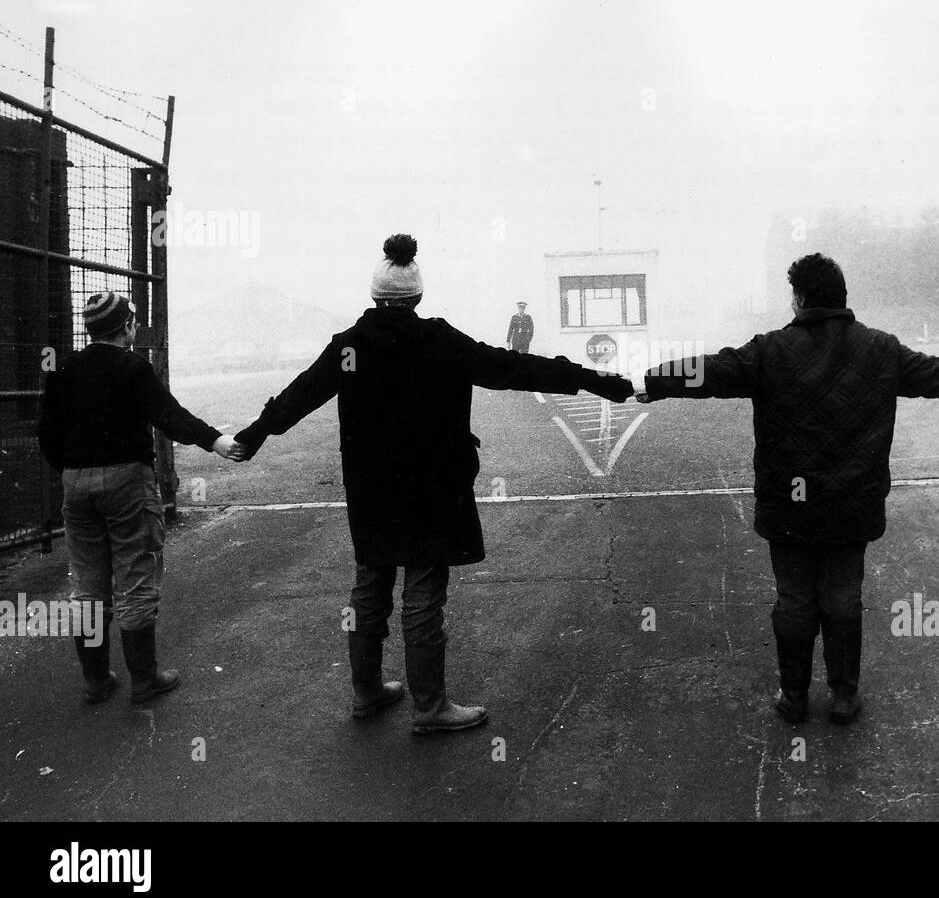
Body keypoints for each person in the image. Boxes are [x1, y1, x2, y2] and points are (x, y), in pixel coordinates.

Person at [232, 235, 632, 734]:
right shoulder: (441, 342)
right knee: (422, 593)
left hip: (372, 487)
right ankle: (430, 706)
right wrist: (595, 380)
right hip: (433, 486)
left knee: (370, 587)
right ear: (417, 296)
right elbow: (515, 368)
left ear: (375, 296)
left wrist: (251, 437)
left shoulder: (350, 348)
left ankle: (367, 691)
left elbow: (298, 396)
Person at [635, 253, 939, 724]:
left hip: (788, 505)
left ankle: (793, 698)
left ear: (799, 299)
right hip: (853, 502)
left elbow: (713, 368)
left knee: (794, 599)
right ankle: (844, 697)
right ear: (842, 297)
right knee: (842, 598)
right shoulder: (881, 348)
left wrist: (653, 381)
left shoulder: (770, 350)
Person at [38, 292, 245, 705]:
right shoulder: (134, 368)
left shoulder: (64, 370)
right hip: (127, 482)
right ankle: (144, 680)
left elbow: (48, 435)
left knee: (88, 584)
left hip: (76, 485)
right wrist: (215, 441)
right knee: (134, 574)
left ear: (89, 329)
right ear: (127, 327)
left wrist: (74, 471)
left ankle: (97, 681)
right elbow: (169, 415)